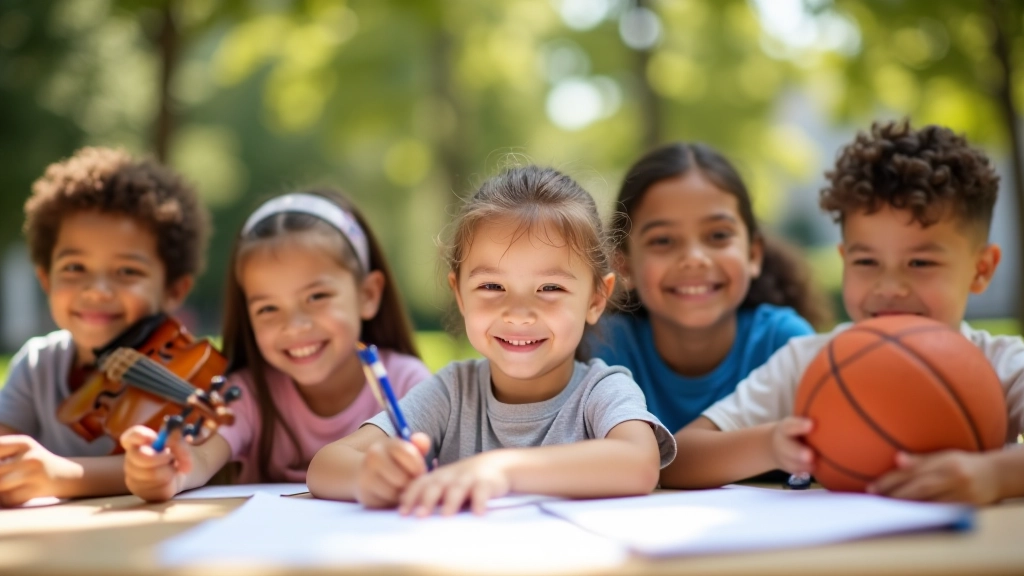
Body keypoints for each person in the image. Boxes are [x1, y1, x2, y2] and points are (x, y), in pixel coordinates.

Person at [664, 120, 1024, 504]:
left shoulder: (1002, 364)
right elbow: (679, 457)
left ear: (981, 268)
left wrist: (995, 475)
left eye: (920, 263)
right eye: (866, 261)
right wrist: (770, 444)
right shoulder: (808, 364)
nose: (888, 288)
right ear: (844, 260)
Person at [307, 166, 677, 515]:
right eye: (491, 286)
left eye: (550, 287)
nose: (518, 312)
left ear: (596, 299)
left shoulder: (603, 389)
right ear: (460, 295)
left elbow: (640, 464)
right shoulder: (452, 392)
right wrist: (370, 475)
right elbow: (325, 465)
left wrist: (502, 469)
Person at [121, 190, 430, 501]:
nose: (294, 326)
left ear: (368, 294)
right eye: (268, 309)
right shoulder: (247, 395)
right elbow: (199, 459)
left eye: (317, 297)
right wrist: (167, 472)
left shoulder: (408, 383)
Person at [0, 147, 208, 506]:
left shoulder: (184, 374)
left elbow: (175, 466)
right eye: (75, 268)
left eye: (127, 272)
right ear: (46, 280)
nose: (96, 291)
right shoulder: (36, 366)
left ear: (175, 289)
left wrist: (59, 475)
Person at [589, 143, 827, 433]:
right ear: (625, 266)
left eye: (717, 235)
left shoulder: (784, 345)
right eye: (663, 241)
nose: (694, 259)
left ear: (753, 254)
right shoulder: (602, 349)